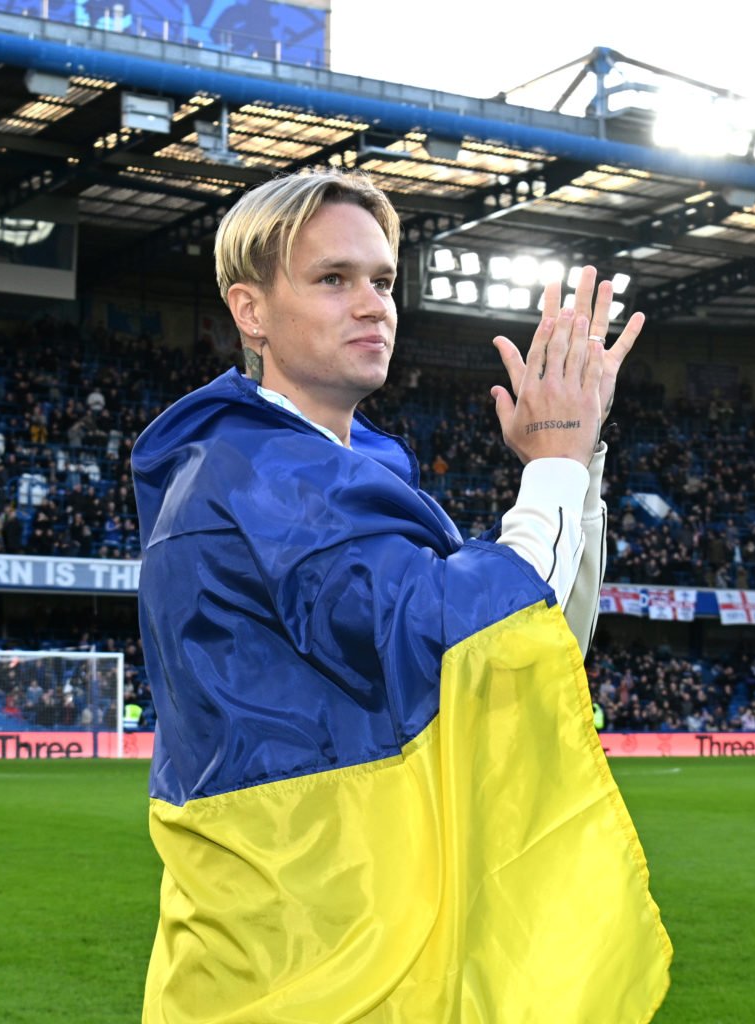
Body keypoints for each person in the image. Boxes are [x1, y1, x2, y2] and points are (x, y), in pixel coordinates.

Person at [132, 167, 670, 1021]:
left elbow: (536, 640)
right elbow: (471, 635)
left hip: (347, 942)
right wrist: (557, 461)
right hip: (307, 961)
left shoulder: (343, 476)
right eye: (332, 279)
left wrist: (576, 464)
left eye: (382, 279)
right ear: (251, 312)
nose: (373, 302)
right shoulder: (259, 475)